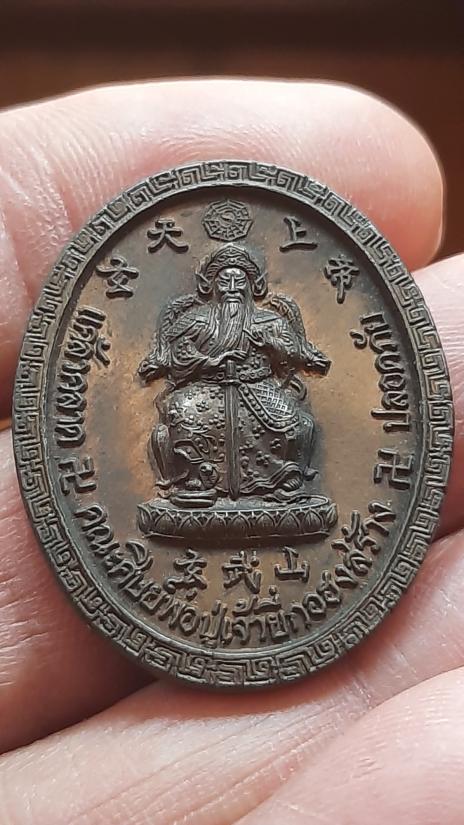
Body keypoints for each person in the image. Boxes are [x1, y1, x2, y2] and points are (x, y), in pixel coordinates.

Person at [0, 78, 462, 823]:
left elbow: (300, 353)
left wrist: (300, 359)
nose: (237, 286)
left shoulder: (273, 317)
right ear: (212, 283)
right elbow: (163, 362)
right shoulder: (189, 317)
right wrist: (189, 364)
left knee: (290, 425)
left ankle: (279, 493)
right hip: (208, 394)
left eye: (246, 278)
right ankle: (193, 494)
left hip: (260, 390)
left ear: (256, 282)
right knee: (185, 420)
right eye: (227, 278)